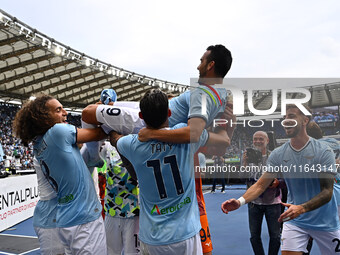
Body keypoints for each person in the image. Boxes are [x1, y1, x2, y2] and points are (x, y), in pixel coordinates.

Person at [81, 45, 235, 255]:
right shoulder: (221, 96)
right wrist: (228, 132)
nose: (198, 66)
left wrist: (149, 134)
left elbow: (194, 133)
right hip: (184, 232)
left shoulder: (200, 96)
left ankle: (92, 159)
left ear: (211, 65)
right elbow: (219, 141)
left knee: (89, 112)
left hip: (141, 122)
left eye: (201, 60)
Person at [110, 89, 230, 255]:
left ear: (141, 116)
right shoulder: (186, 136)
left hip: (152, 237)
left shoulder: (131, 144)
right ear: (169, 112)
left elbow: (114, 139)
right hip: (185, 234)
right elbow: (219, 138)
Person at [221, 104, 340, 255]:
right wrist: (240, 201)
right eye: (284, 117)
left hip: (325, 222)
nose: (285, 120)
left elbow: (327, 191)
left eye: (291, 116)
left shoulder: (323, 151)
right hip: (294, 220)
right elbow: (260, 185)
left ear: (305, 120)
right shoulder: (278, 154)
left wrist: (302, 208)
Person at [12, 95, 108, 254]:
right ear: (44, 117)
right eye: (58, 110)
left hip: (66, 218)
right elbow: (98, 134)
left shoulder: (40, 143)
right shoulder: (58, 132)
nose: (65, 112)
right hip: (83, 218)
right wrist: (100, 112)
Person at [242, 131, 282, 255]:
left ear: (267, 141)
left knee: (275, 236)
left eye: (261, 138)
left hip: (273, 202)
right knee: (254, 236)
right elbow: (242, 176)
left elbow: (284, 176)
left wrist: (277, 182)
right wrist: (244, 163)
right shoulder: (249, 156)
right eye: (255, 139)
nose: (258, 141)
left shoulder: (275, 156)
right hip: (254, 202)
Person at [103, 141, 140, 255]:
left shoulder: (137, 145)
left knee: (132, 252)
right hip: (111, 211)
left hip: (134, 212)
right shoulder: (107, 147)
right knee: (110, 252)